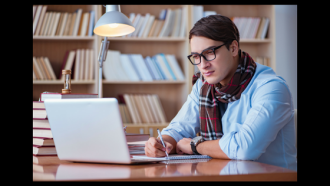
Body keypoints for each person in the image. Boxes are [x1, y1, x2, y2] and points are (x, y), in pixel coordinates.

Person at [144, 14, 297, 171]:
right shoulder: (203, 86)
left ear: (233, 48)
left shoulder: (271, 88)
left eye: (209, 52)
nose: (203, 65)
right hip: (222, 174)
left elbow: (244, 148)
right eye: (196, 56)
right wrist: (163, 144)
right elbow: (178, 128)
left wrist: (195, 145)